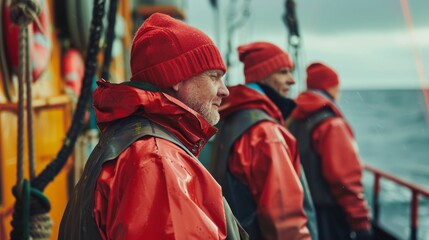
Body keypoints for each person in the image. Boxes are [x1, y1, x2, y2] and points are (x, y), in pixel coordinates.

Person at [59, 13, 248, 240]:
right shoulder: (157, 160)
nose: (224, 90)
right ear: (176, 78)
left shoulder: (132, 141)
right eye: (213, 77)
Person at [205, 41, 312, 239]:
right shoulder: (265, 133)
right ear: (262, 76)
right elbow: (285, 220)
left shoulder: (230, 118)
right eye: (283, 72)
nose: (292, 80)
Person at [288, 62, 372, 240]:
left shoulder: (293, 119)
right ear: (332, 88)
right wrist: (361, 224)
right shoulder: (332, 124)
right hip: (329, 218)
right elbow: (345, 180)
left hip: (301, 212)